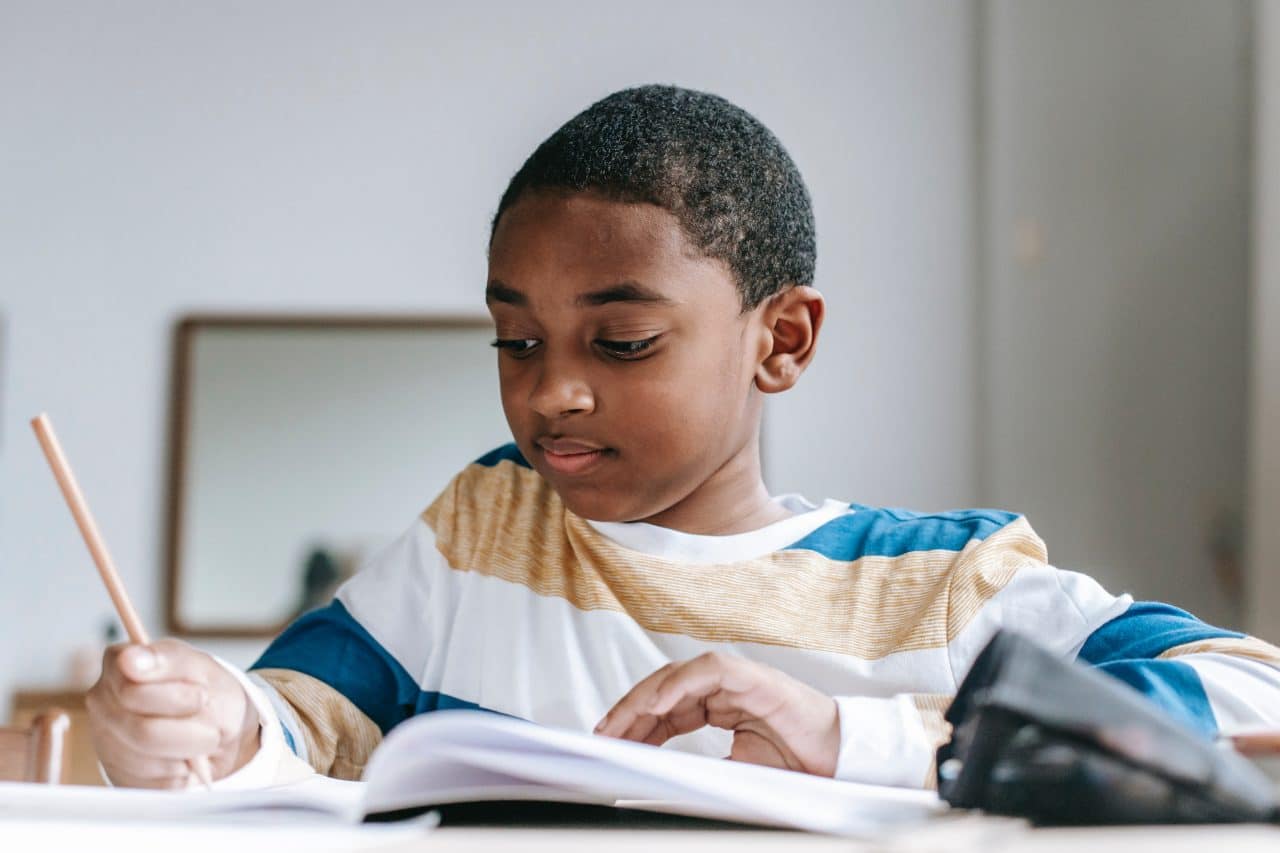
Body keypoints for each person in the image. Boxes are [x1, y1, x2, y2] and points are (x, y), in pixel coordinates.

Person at [85, 85, 1280, 790]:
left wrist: (850, 737)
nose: (550, 392)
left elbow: (1249, 698)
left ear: (781, 340)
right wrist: (217, 720)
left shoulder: (935, 584)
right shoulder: (486, 529)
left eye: (620, 344)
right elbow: (306, 717)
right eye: (515, 342)